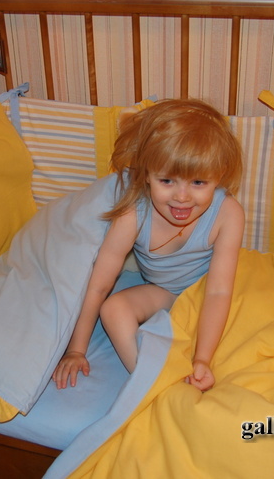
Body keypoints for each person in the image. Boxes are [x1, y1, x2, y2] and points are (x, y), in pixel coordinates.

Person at [52, 99, 244, 392]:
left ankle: (184, 373)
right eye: (167, 180)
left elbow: (219, 291)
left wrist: (202, 359)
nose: (182, 197)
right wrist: (76, 349)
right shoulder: (133, 214)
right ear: (146, 175)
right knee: (113, 309)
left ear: (219, 174)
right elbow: (99, 285)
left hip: (209, 292)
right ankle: (151, 382)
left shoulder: (228, 213)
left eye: (198, 183)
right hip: (165, 293)